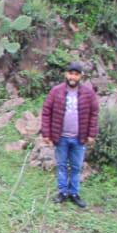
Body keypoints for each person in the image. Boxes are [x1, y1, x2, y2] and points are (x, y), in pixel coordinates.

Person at [40, 61, 98, 208]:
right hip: (61, 137)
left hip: (80, 138)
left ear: (81, 76)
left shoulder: (88, 93)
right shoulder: (56, 91)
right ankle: (63, 192)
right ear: (66, 74)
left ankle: (74, 193)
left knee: (76, 166)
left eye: (76, 74)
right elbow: (46, 112)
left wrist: (92, 134)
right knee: (61, 165)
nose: (73, 77)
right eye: (71, 73)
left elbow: (94, 114)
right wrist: (46, 134)